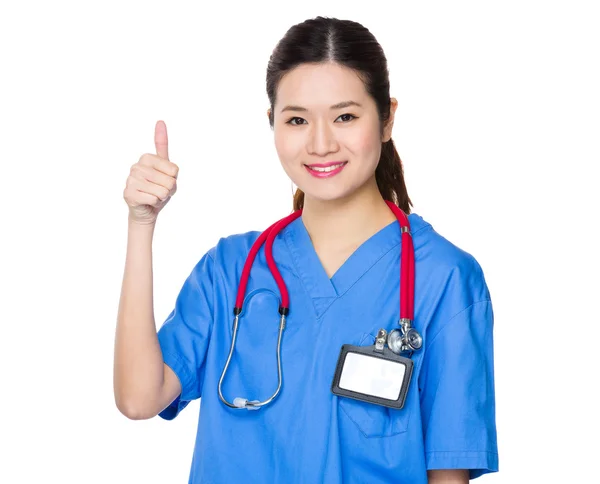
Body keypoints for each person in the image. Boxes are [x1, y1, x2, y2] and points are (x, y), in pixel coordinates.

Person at [114, 16, 498, 484]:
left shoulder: (444, 278)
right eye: (297, 119)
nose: (320, 143)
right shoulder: (230, 270)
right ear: (272, 122)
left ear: (387, 118)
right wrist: (141, 224)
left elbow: (448, 475)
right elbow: (139, 398)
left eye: (346, 117)